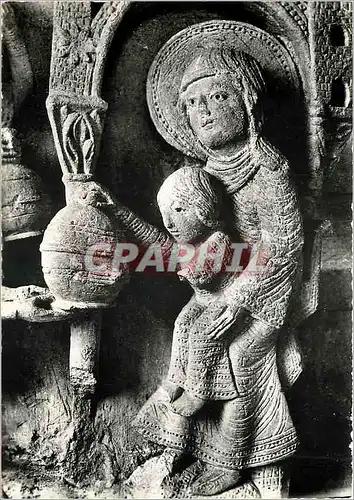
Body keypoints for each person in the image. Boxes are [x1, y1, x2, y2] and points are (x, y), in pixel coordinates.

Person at [90, 47, 304, 496]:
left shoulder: (268, 170)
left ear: (246, 101)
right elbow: (177, 245)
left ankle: (238, 460)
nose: (201, 111)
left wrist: (240, 296)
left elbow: (282, 245)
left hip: (265, 293)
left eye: (215, 96)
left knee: (242, 356)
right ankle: (185, 444)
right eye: (190, 103)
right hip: (217, 290)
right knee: (190, 329)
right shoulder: (202, 175)